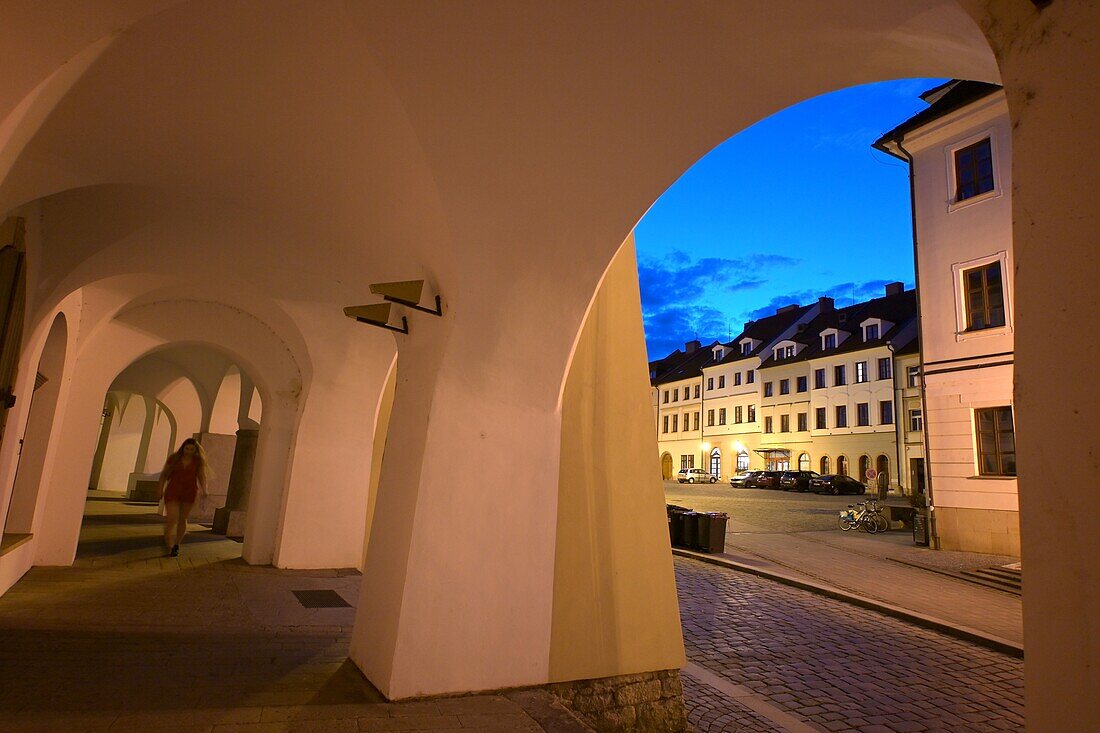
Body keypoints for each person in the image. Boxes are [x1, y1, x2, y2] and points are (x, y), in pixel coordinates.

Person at [158, 438, 209, 556]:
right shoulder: (174, 458)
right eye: (187, 448)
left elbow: (202, 476)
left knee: (183, 519)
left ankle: (176, 544)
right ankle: (169, 544)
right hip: (173, 490)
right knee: (172, 518)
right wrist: (160, 489)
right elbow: (164, 474)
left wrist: (205, 489)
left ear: (195, 450)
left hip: (189, 491)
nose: (189, 451)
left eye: (192, 449)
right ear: (183, 448)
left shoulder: (198, 461)